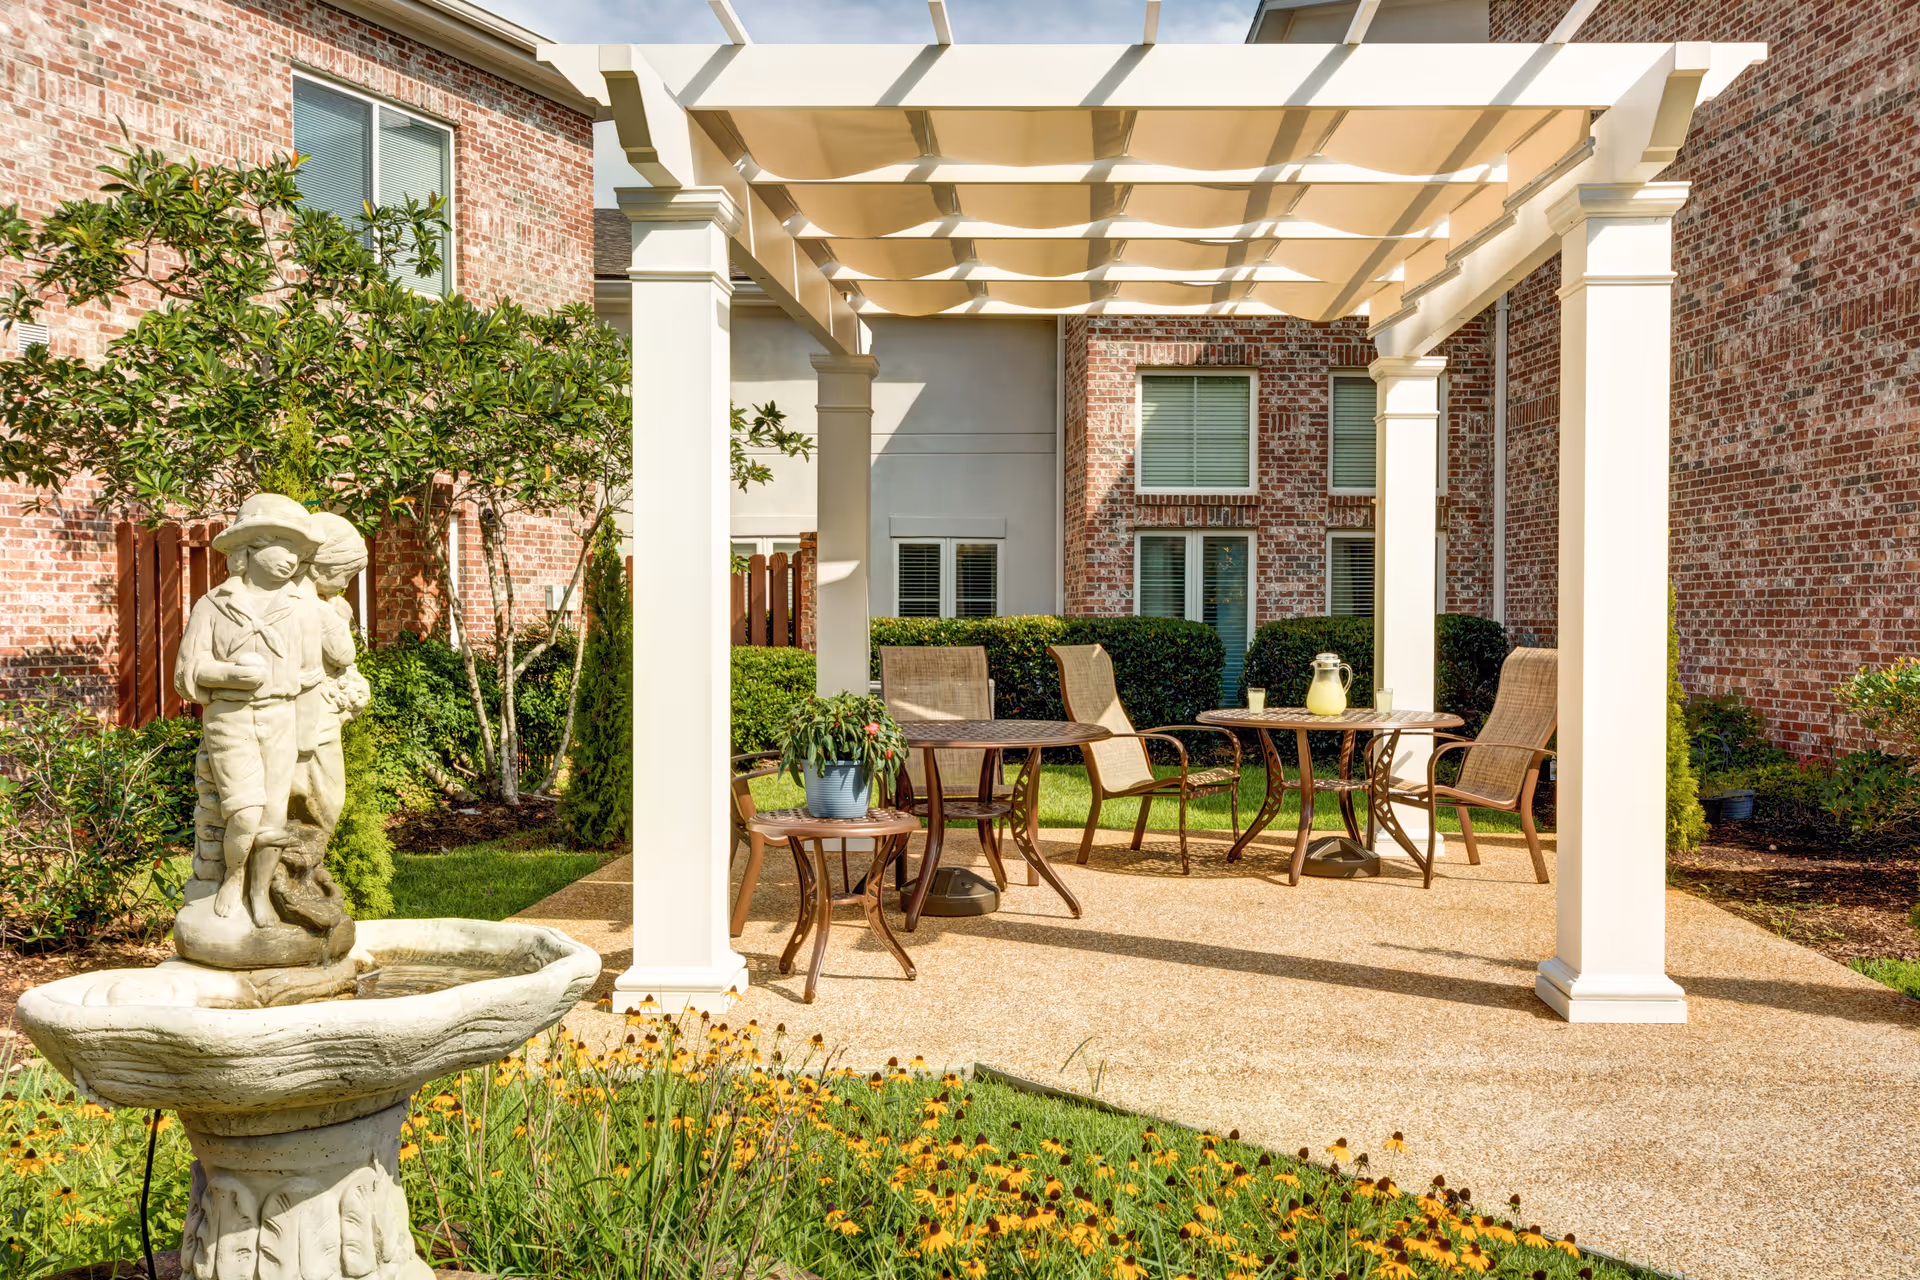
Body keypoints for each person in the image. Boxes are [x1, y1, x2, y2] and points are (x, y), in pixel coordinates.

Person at [174, 494, 319, 929]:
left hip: (280, 719)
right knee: (244, 812)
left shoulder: (302, 608)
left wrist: (306, 743)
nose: (291, 558)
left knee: (273, 819)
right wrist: (228, 676)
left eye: (298, 550)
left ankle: (260, 896)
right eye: (282, 544)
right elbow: (185, 674)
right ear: (251, 547)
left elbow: (311, 678)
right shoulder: (214, 605)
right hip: (230, 720)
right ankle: (232, 879)